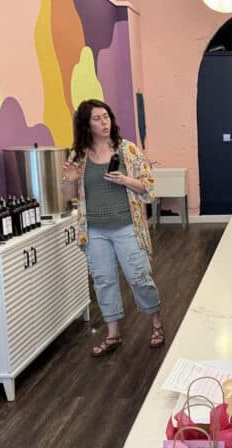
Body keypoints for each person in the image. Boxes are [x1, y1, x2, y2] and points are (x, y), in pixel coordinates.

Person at [62, 99, 164, 357]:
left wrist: (126, 180)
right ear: (86, 124)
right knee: (103, 281)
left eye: (106, 116)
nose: (104, 122)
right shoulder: (79, 156)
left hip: (127, 226)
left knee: (140, 277)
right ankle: (113, 333)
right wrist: (71, 180)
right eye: (97, 118)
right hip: (95, 230)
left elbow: (149, 187)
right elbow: (69, 195)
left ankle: (157, 324)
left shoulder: (127, 150)